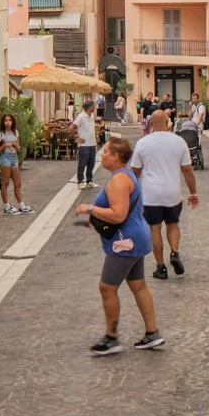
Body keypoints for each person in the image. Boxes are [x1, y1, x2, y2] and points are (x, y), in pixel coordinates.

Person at [72, 135, 164, 355]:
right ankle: (152, 333)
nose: (102, 155)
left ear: (115, 156)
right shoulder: (125, 175)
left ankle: (111, 337)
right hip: (135, 237)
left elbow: (118, 214)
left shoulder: (120, 180)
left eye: (105, 152)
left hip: (125, 242)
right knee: (138, 285)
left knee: (107, 288)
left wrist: (89, 208)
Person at [130, 109, 198, 280]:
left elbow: (135, 171)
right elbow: (187, 170)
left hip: (151, 194)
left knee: (155, 228)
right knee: (173, 224)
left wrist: (131, 194)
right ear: (168, 123)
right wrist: (193, 192)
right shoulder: (179, 141)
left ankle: (160, 267)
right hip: (172, 192)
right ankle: (174, 252)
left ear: (151, 124)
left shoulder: (143, 143)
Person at [0, 112, 30, 215]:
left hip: (14, 158)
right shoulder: (0, 133)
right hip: (5, 158)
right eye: (6, 120)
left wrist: (15, 146)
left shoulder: (15, 132)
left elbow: (18, 148)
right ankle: (7, 206)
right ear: (3, 122)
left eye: (10, 120)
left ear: (12, 121)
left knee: (18, 184)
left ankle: (22, 206)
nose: (8, 122)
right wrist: (4, 146)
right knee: (5, 183)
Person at [74, 100, 98, 188]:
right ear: (90, 107)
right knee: (82, 164)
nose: (95, 107)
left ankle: (89, 180)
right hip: (84, 145)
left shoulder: (91, 115)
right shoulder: (81, 116)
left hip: (92, 144)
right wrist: (76, 139)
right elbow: (71, 128)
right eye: (93, 106)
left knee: (91, 164)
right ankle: (80, 181)